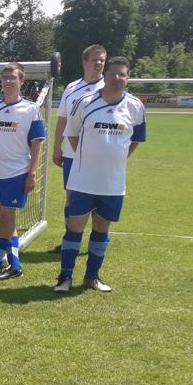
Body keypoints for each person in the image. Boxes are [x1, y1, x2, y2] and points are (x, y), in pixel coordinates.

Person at [55, 55, 146, 293]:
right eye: (113, 73)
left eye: (122, 74)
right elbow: (71, 133)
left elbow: (137, 139)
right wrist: (88, 157)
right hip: (83, 179)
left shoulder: (135, 106)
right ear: (105, 75)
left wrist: (117, 157)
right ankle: (65, 277)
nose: (117, 78)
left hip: (112, 182)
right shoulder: (84, 102)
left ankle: (92, 277)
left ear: (128, 78)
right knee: (75, 226)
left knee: (102, 228)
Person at [0, 62, 46, 280]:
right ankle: (15, 266)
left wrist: (32, 173)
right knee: (8, 219)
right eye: (5, 77)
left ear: (21, 81)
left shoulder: (30, 109)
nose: (8, 81)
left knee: (6, 218)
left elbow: (37, 143)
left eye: (13, 78)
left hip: (18, 172)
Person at [51, 44, 106, 251]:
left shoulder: (108, 87)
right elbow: (62, 120)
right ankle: (69, 240)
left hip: (98, 155)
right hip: (71, 153)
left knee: (97, 198)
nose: (99, 63)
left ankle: (96, 240)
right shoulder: (72, 88)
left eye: (102, 60)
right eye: (95, 59)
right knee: (71, 197)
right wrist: (57, 148)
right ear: (85, 62)